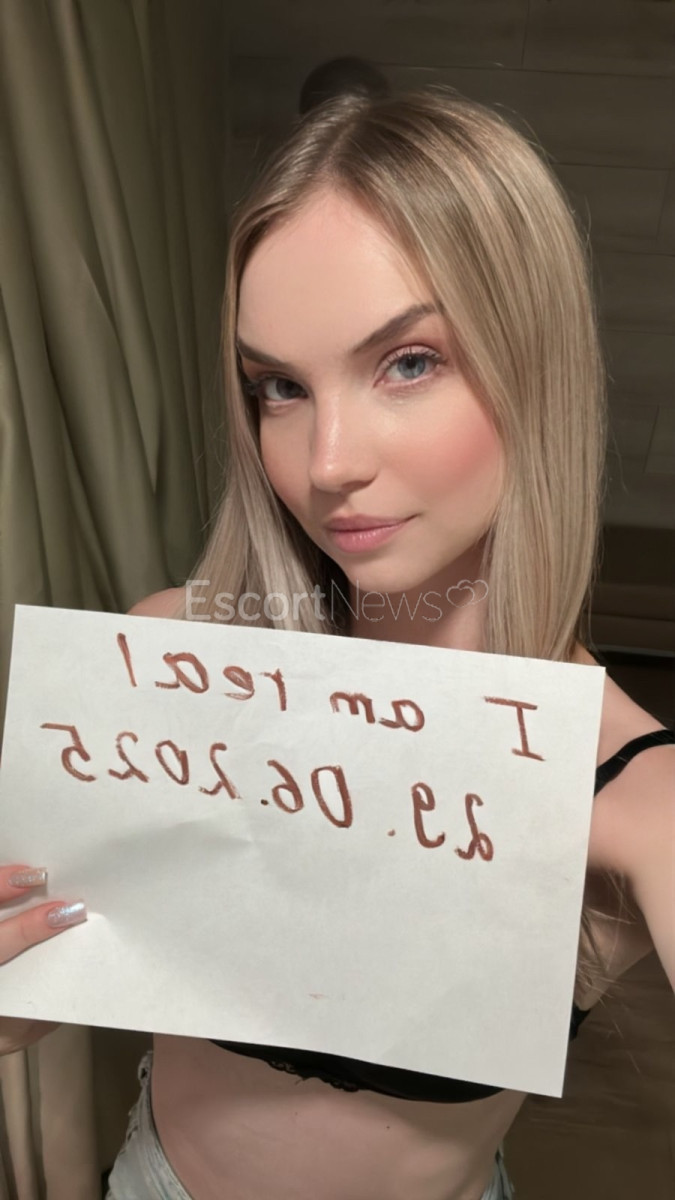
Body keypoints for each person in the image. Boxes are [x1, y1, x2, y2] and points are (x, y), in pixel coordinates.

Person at [1, 86, 674, 1200]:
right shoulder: (167, 662)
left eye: (407, 362)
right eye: (278, 387)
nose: (326, 463)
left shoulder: (634, 795)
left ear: (535, 365)